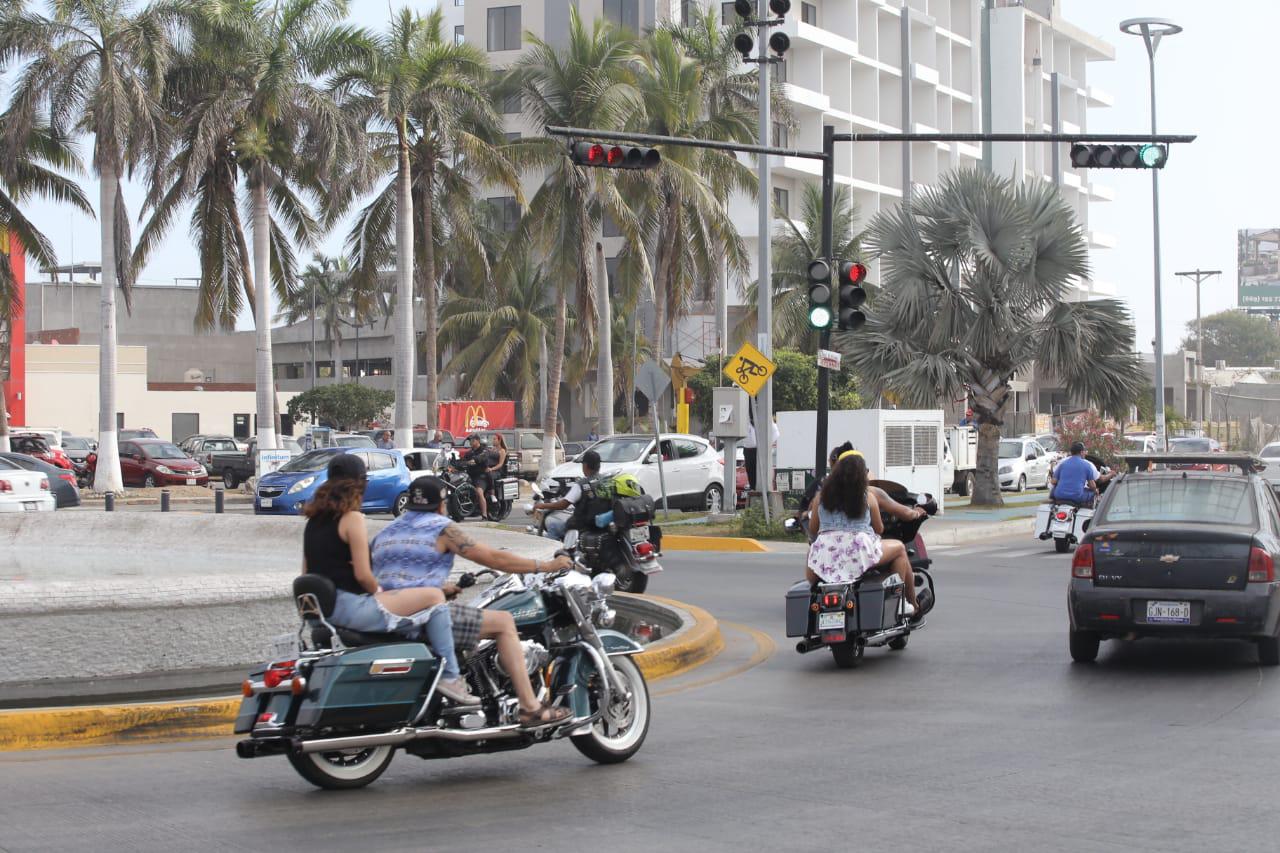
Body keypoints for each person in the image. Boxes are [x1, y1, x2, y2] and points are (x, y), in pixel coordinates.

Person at [372, 476, 574, 728]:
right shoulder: (441, 527)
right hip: (424, 618)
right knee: (503, 622)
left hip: (387, 615)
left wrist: (440, 589)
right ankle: (530, 708)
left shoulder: (386, 533)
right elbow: (492, 558)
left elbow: (389, 579)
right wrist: (545, 565)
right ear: (440, 504)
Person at [301, 454, 476, 704]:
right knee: (434, 597)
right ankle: (450, 677)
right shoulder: (352, 519)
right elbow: (364, 575)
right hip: (350, 609)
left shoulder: (313, 522)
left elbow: (306, 574)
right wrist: (381, 591)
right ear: (361, 483)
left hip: (322, 616)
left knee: (419, 608)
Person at [805, 450, 921, 615]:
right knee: (900, 549)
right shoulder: (867, 496)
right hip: (858, 554)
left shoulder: (820, 498)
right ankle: (902, 603)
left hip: (824, 556)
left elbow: (813, 529)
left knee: (812, 550)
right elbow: (879, 529)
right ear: (862, 474)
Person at [533, 449, 602, 541]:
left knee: (553, 525)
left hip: (583, 526)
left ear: (585, 465)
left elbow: (563, 505)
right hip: (601, 524)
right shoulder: (605, 480)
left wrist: (542, 505)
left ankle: (553, 552)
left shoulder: (581, 485)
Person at [1049, 441, 1103, 506]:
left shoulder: (1063, 464)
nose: (1085, 453)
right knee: (1093, 493)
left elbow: (1053, 481)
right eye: (1084, 451)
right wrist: (1095, 490)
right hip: (1077, 497)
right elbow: (1092, 486)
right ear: (1081, 452)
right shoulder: (1087, 465)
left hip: (1059, 495)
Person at [459, 435, 495, 519]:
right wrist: (456, 464)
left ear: (477, 441)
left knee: (479, 492)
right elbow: (463, 461)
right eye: (470, 441)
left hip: (481, 476)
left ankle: (484, 514)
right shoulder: (469, 452)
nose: (470, 442)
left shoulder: (484, 450)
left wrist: (474, 460)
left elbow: (482, 457)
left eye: (472, 440)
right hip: (470, 476)